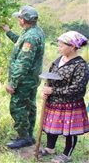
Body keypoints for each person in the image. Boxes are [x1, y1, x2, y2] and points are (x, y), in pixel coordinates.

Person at [40, 31, 89, 163]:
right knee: (52, 126)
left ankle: (67, 154)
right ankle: (50, 148)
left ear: (72, 47)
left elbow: (77, 88)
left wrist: (53, 90)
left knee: (70, 131)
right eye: (58, 45)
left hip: (71, 103)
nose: (59, 48)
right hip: (54, 101)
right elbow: (49, 77)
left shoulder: (80, 65)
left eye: (61, 46)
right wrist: (45, 90)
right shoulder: (58, 60)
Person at [2, 5, 45, 149]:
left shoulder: (31, 37)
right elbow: (21, 44)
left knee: (18, 107)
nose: (18, 19)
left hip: (24, 81)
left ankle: (23, 137)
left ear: (24, 20)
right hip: (31, 79)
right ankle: (28, 135)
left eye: (19, 17)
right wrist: (9, 32)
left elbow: (23, 63)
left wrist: (13, 83)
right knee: (30, 106)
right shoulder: (34, 32)